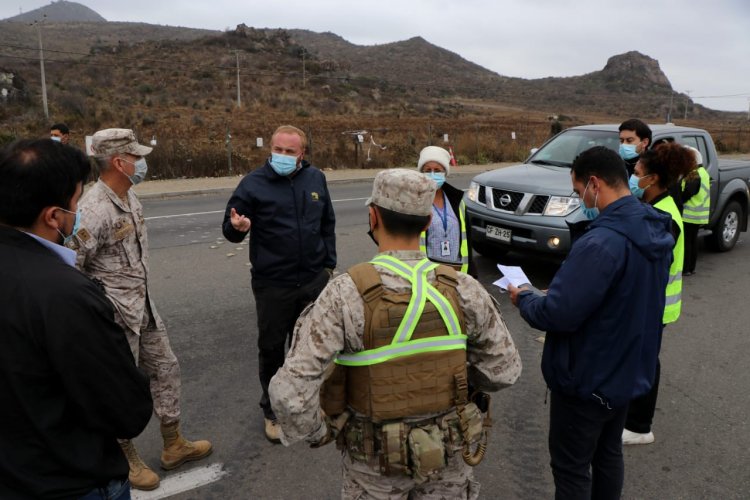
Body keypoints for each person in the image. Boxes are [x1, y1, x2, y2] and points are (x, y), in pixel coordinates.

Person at [269, 168, 521, 499]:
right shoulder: (463, 288)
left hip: (373, 470)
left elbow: (289, 393)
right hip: (446, 460)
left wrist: (319, 431)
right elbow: (504, 371)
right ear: (428, 222)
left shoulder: (345, 294)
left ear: (373, 217)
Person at [508, 146, 673, 499]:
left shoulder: (601, 241)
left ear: (594, 184)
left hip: (587, 379)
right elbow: (619, 294)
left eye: (577, 188)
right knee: (608, 453)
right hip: (625, 371)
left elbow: (556, 314)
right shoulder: (653, 229)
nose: (577, 197)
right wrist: (565, 292)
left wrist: (524, 295)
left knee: (571, 469)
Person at [0, 139, 153, 499]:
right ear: (53, 216)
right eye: (74, 203)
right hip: (70, 479)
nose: (78, 211)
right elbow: (125, 411)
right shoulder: (65, 293)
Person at [68, 128, 212, 491]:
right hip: (114, 316)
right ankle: (126, 459)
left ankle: (173, 443)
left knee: (166, 369)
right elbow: (72, 267)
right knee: (118, 387)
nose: (141, 162)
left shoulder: (129, 197)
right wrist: (99, 309)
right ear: (119, 162)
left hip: (143, 308)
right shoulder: (92, 210)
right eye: (135, 157)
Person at [222, 124, 336, 443]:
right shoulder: (253, 184)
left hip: (313, 280)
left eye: (290, 151)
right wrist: (239, 228)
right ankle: (273, 412)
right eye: (278, 150)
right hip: (273, 284)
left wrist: (328, 265)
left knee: (311, 348)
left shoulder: (316, 180)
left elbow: (327, 222)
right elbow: (229, 229)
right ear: (270, 149)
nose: (283, 156)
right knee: (272, 350)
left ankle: (308, 402)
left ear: (302, 154)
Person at [623, 142, 695, 446]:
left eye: (637, 172)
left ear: (651, 179)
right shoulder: (657, 207)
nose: (633, 175)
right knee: (641, 359)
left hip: (656, 306)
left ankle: (640, 426)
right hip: (652, 305)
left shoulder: (663, 218)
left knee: (646, 361)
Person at [417, 145, 477, 277]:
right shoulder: (415, 201)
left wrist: (472, 273)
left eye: (437, 170)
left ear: (445, 172)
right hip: (428, 273)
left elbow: (467, 238)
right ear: (421, 173)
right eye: (428, 170)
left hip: (457, 271)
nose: (432, 174)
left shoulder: (457, 201)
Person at [680, 146, 711, 276]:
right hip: (698, 214)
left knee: (687, 242)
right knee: (692, 241)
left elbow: (688, 193)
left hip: (689, 214)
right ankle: (691, 267)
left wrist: (678, 196)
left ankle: (686, 268)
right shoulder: (703, 172)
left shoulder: (694, 175)